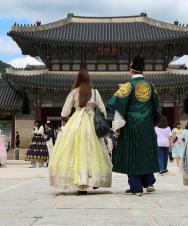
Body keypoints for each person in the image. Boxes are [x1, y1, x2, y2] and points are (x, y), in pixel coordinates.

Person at [48, 69, 112, 194]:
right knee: (93, 150)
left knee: (75, 150)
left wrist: (76, 109)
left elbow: (64, 113)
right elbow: (103, 110)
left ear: (77, 79)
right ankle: (93, 180)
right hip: (92, 123)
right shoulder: (94, 92)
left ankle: (78, 181)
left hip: (76, 123)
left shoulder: (73, 93)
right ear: (89, 79)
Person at [108, 52, 160, 196]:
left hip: (132, 123)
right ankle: (149, 182)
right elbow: (157, 105)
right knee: (146, 151)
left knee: (132, 153)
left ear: (131, 72)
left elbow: (114, 103)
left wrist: (119, 124)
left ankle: (136, 187)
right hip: (147, 123)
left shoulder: (128, 86)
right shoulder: (150, 85)